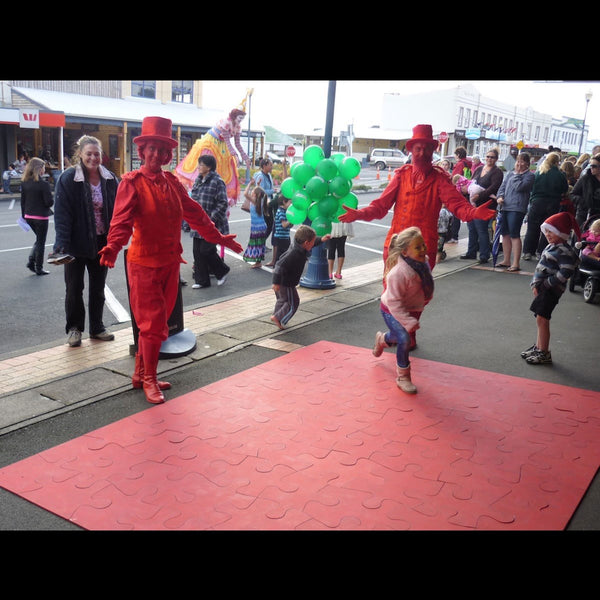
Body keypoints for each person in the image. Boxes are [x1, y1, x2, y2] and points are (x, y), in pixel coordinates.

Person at [98, 116, 243, 405]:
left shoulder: (172, 182)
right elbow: (121, 221)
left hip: (169, 263)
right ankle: (149, 378)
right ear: (142, 152)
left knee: (157, 324)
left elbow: (194, 212)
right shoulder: (132, 182)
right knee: (151, 326)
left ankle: (142, 374)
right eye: (151, 148)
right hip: (143, 264)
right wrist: (113, 246)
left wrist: (217, 237)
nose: (157, 155)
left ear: (168, 155)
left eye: (163, 150)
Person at [338, 124, 496, 272]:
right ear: (411, 151)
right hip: (397, 245)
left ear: (432, 152)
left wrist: (473, 213)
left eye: (427, 149)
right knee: (392, 294)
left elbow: (457, 204)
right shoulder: (402, 175)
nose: (422, 153)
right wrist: (360, 214)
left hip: (423, 248)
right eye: (418, 148)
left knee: (418, 295)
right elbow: (380, 206)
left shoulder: (440, 179)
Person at [52, 135, 118, 348]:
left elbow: (119, 211)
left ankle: (97, 328)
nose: (93, 158)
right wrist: (61, 246)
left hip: (101, 243)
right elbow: (62, 215)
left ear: (102, 156)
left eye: (96, 154)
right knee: (74, 289)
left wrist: (116, 240)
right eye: (88, 154)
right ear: (80, 154)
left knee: (98, 288)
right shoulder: (69, 178)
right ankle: (74, 329)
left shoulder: (110, 179)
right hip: (75, 243)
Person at [372, 226, 433, 394]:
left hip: (411, 307)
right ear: (405, 252)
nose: (423, 249)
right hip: (391, 309)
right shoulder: (398, 274)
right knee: (404, 339)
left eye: (423, 245)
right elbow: (394, 303)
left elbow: (426, 281)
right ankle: (403, 376)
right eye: (418, 247)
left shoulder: (423, 262)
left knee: (399, 337)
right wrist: (407, 321)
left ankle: (382, 339)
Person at [521, 212, 580, 365]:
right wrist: (536, 284)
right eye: (546, 231)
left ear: (562, 233)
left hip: (550, 290)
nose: (547, 234)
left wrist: (546, 284)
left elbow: (566, 270)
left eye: (551, 231)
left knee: (543, 319)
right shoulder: (552, 246)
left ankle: (544, 352)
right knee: (540, 318)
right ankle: (538, 347)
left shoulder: (564, 251)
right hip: (543, 289)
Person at [271, 224, 330, 329]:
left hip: (283, 281)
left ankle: (276, 317)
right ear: (306, 243)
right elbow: (279, 265)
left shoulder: (298, 246)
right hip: (286, 283)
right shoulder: (294, 254)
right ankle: (278, 317)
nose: (313, 244)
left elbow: (313, 242)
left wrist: (321, 239)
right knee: (293, 302)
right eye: (312, 242)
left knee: (282, 300)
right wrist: (276, 282)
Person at [189, 154, 230, 289]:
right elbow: (193, 200)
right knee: (197, 251)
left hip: (212, 223)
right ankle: (202, 281)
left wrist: (211, 219)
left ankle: (222, 271)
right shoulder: (198, 180)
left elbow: (223, 203)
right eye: (199, 164)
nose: (198, 167)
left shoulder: (217, 181)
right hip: (198, 223)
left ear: (209, 167)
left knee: (206, 250)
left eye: (201, 165)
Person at [522, 152, 569, 260]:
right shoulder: (560, 175)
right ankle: (542, 251)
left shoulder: (539, 172)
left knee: (532, 228)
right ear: (557, 162)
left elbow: (531, 188)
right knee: (548, 229)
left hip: (537, 202)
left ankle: (528, 252)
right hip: (553, 203)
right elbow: (565, 189)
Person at [460, 147, 503, 264]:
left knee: (481, 229)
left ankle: (484, 254)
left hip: (486, 204)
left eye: (492, 157)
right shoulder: (479, 169)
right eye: (488, 156)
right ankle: (471, 252)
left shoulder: (497, 172)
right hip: (473, 204)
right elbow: (471, 182)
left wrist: (480, 196)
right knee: (471, 228)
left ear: (496, 159)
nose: (489, 159)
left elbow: (493, 188)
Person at [494, 152, 535, 271]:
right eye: (518, 161)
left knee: (514, 234)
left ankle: (516, 263)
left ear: (527, 164)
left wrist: (517, 174)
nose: (519, 164)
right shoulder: (509, 174)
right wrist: (500, 197)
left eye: (522, 161)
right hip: (505, 207)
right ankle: (506, 260)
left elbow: (520, 187)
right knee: (505, 233)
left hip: (517, 208)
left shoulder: (529, 176)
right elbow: (503, 186)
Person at [20, 157, 54, 275]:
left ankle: (31, 261)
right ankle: (38, 267)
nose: (44, 169)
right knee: (41, 242)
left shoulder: (25, 183)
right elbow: (49, 202)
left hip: (29, 216)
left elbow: (22, 201)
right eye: (44, 167)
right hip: (41, 217)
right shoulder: (43, 184)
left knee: (38, 240)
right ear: (39, 169)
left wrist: (23, 215)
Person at [242, 180, 268, 268]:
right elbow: (260, 192)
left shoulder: (255, 201)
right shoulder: (261, 200)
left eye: (253, 192)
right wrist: (258, 185)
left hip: (257, 227)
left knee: (256, 244)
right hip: (261, 226)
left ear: (256, 195)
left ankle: (258, 263)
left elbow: (245, 194)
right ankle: (258, 262)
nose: (251, 192)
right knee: (259, 244)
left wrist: (249, 183)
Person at [571, 153, 600, 227]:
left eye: (594, 166)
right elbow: (572, 195)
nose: (591, 168)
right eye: (590, 166)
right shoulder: (585, 178)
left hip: (598, 216)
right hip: (584, 214)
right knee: (580, 237)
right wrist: (583, 201)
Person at [265, 193, 292, 267]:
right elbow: (284, 225)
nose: (291, 204)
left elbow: (289, 226)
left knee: (285, 255)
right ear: (284, 202)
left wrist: (292, 222)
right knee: (279, 256)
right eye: (290, 202)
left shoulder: (286, 212)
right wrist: (291, 219)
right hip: (280, 238)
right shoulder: (280, 212)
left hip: (285, 237)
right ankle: (277, 269)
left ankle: (281, 269)